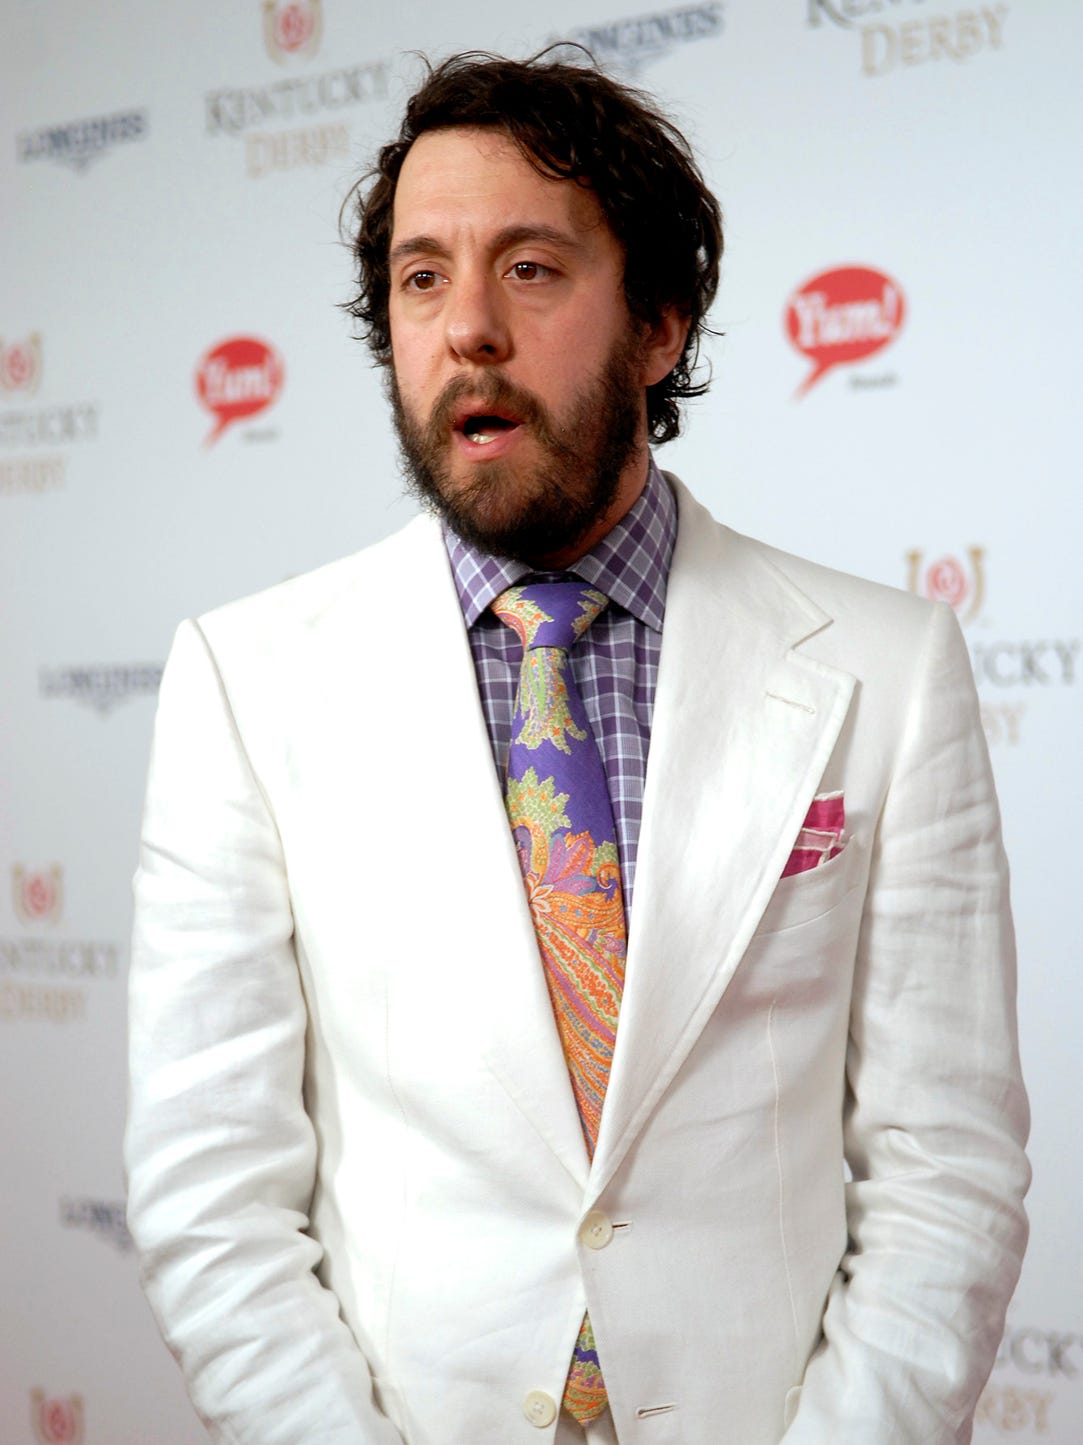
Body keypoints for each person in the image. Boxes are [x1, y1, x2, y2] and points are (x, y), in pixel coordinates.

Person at [125, 49, 1029, 1445]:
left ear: (659, 322)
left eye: (531, 269)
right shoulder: (246, 682)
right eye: (422, 278)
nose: (466, 325)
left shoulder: (886, 669)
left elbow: (947, 1170)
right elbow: (210, 1189)